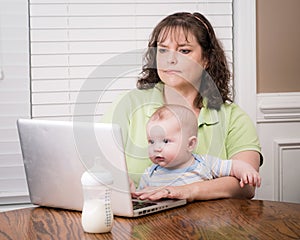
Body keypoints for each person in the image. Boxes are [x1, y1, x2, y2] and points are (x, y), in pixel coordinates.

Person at [102, 12, 263, 202]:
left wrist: (185, 191)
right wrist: (116, 182)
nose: (170, 59)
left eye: (184, 50)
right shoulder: (127, 105)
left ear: (206, 59)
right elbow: (97, 164)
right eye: (162, 50)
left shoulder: (233, 117)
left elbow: (247, 186)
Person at [136, 105, 261, 192]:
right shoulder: (150, 174)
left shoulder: (204, 164)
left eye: (165, 141)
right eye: (151, 141)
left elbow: (233, 166)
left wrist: (246, 171)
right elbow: (141, 198)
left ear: (190, 144)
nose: (156, 148)